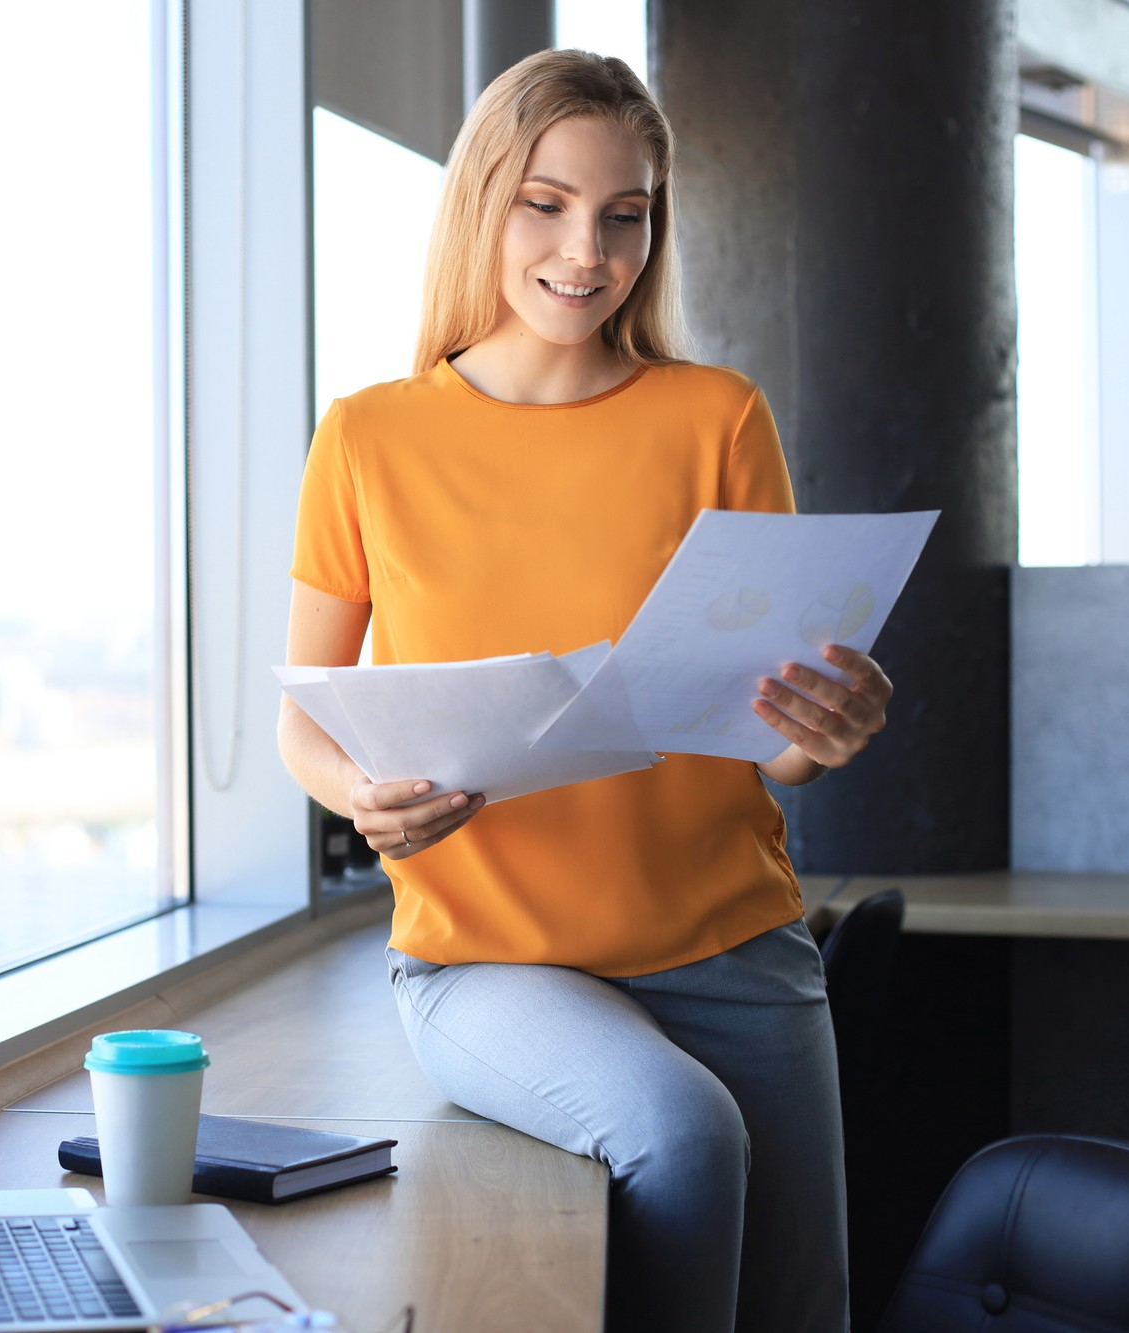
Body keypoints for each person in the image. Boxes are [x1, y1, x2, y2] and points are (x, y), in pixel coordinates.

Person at [279, 49, 893, 1333]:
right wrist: (362, 795)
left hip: (731, 945)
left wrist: (820, 729)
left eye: (627, 213)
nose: (586, 249)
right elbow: (306, 712)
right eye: (545, 203)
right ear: (482, 202)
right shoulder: (368, 437)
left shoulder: (716, 418)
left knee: (803, 1314)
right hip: (485, 959)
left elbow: (765, 741)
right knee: (683, 1132)